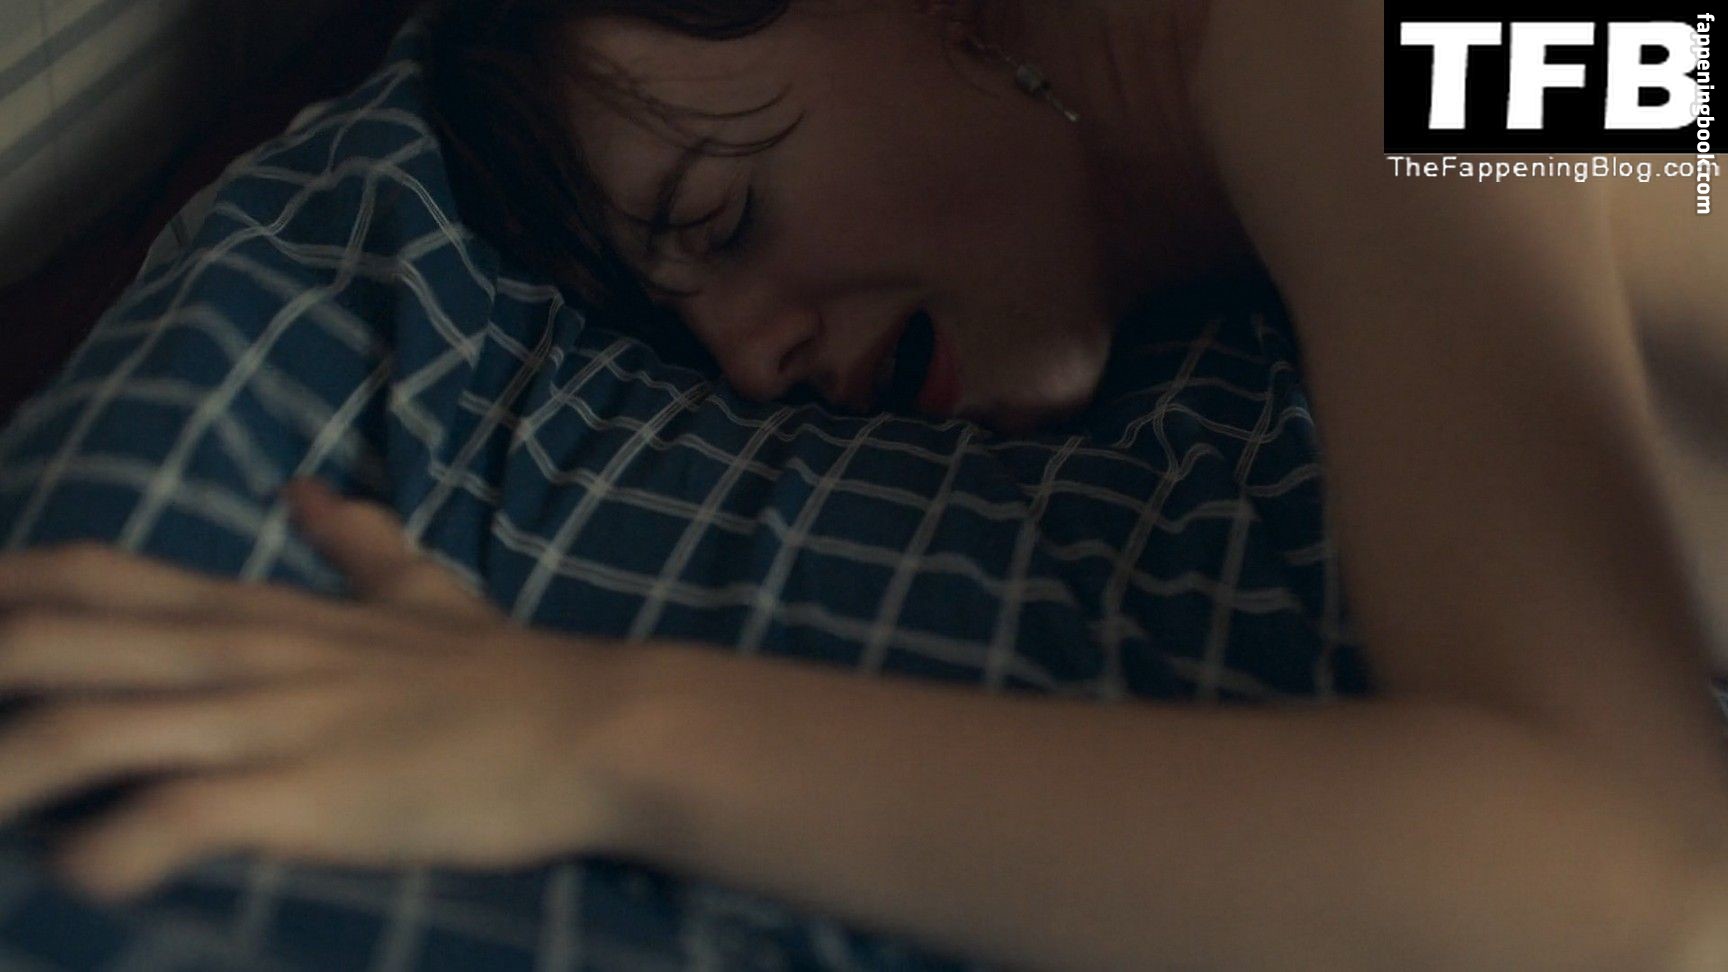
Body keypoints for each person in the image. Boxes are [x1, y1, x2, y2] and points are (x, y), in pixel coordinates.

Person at [0, 0, 1725, 967]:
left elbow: (1627, 879)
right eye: (695, 328)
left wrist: (576, 731)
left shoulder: (1352, 34)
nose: (759, 356)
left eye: (721, 214)